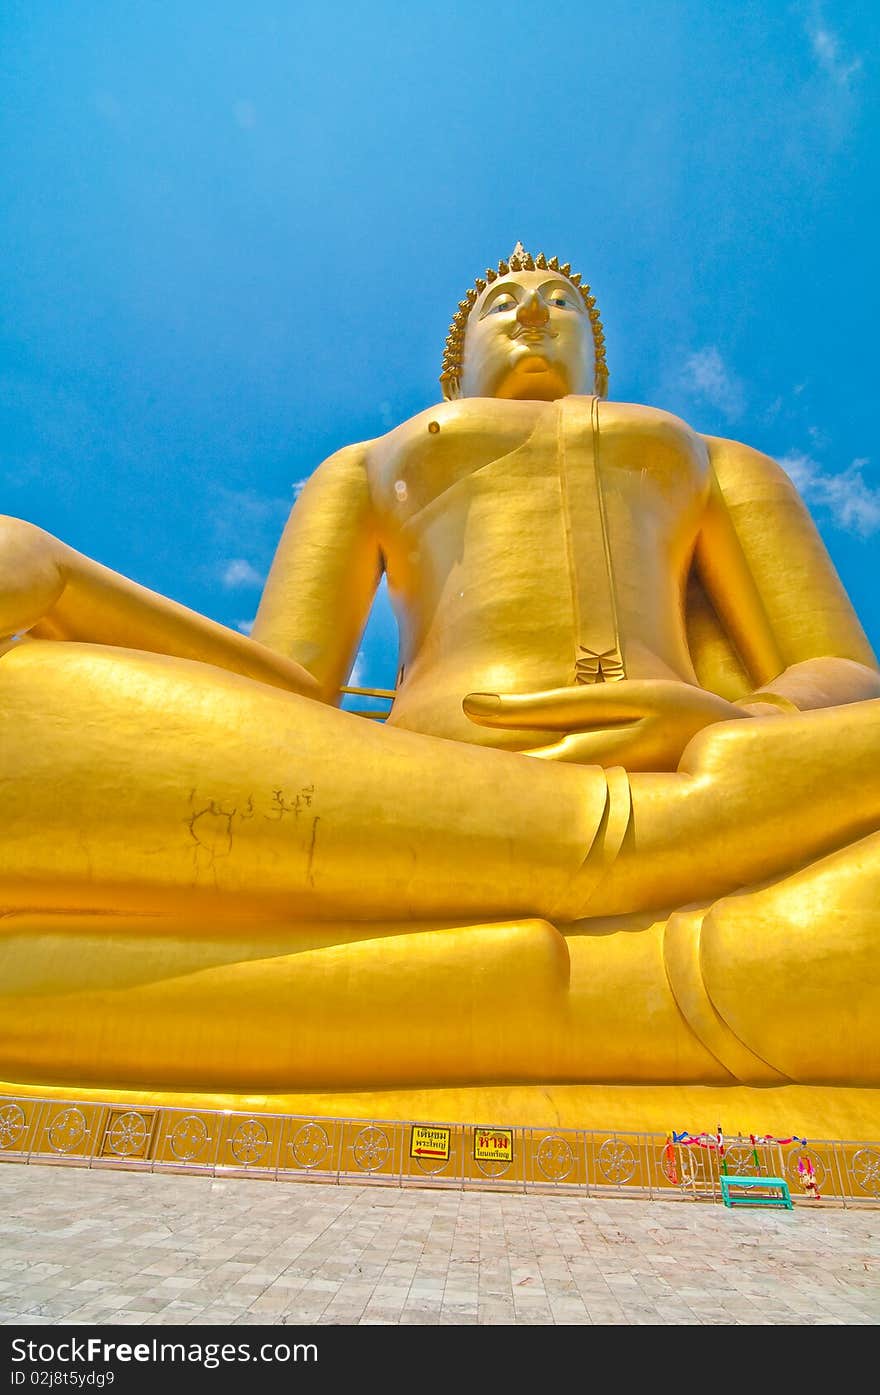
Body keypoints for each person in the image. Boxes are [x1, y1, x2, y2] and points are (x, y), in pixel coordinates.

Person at [1, 245, 879, 1129]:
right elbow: (292, 688)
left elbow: (845, 674)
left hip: (702, 766)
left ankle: (634, 895)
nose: (533, 313)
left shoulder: (714, 457)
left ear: (597, 357)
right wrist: (63, 579)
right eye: (504, 303)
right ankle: (668, 932)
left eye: (559, 303)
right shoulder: (370, 463)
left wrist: (739, 720)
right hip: (419, 799)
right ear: (457, 366)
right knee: (23, 711)